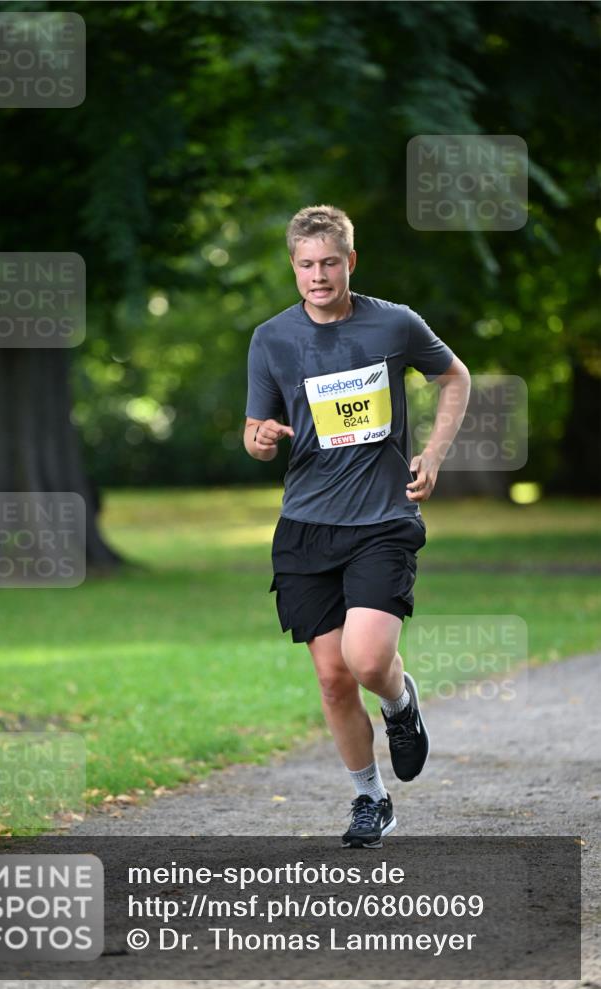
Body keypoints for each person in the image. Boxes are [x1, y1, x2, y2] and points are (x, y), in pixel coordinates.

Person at [244, 204, 471, 847]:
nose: (318, 276)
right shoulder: (272, 338)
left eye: (329, 263)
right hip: (306, 526)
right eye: (306, 265)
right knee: (332, 678)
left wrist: (434, 454)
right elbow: (255, 432)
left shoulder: (393, 323)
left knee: (369, 660)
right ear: (293, 267)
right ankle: (370, 798)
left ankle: (400, 703)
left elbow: (454, 377)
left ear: (351, 261)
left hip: (382, 519)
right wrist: (260, 439)